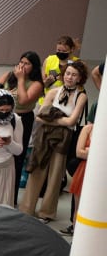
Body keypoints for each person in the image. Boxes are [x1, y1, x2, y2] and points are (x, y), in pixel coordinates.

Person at [21, 61, 88, 222]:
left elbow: (72, 121)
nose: (69, 77)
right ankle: (27, 208)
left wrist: (51, 120)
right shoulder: (53, 91)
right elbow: (39, 117)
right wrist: (60, 121)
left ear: (80, 78)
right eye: (67, 73)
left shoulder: (81, 96)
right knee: (37, 169)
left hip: (63, 139)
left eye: (74, 75)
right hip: (43, 136)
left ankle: (47, 212)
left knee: (56, 175)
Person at [0, 52, 42, 192]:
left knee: (17, 156)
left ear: (34, 67)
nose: (22, 66)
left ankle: (11, 193)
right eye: (21, 62)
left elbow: (23, 100)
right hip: (2, 117)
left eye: (27, 64)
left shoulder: (36, 84)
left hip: (22, 119)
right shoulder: (8, 75)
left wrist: (21, 80)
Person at [64, 119, 92, 236]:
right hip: (84, 170)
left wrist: (88, 151)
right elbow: (79, 153)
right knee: (78, 208)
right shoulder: (88, 129)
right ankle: (76, 237)